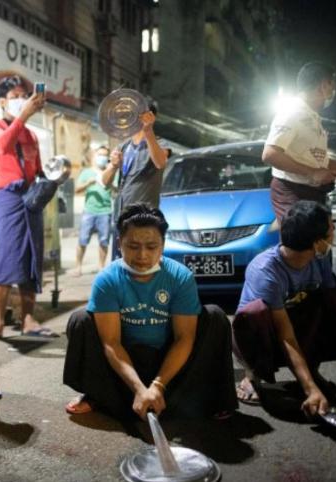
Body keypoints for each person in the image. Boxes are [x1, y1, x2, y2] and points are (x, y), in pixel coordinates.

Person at [63, 204, 237, 422]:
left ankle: (208, 398)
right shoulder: (107, 280)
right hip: (127, 360)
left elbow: (184, 338)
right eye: (133, 246)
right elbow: (112, 343)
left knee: (215, 316)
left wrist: (158, 385)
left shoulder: (180, 277)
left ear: (163, 246)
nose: (142, 255)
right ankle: (100, 395)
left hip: (167, 358)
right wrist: (138, 387)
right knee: (80, 319)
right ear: (119, 244)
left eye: (151, 246)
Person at [233, 201, 336, 416]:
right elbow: (285, 335)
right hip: (260, 334)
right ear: (316, 243)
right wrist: (311, 390)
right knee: (255, 313)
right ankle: (252, 375)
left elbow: (331, 309)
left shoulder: (320, 258)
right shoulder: (266, 272)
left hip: (292, 321)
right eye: (331, 228)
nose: (334, 231)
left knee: (335, 296)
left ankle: (311, 371)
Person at [0, 75, 56, 345]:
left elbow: (37, 167)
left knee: (31, 260)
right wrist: (24, 114)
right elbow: (1, 147)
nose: (21, 101)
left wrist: (51, 178)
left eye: (24, 96)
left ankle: (28, 320)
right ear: (2, 101)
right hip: (8, 199)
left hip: (30, 199)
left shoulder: (32, 134)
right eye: (15, 97)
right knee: (4, 260)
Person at [262, 62, 336, 221]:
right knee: (302, 244)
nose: (333, 91)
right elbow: (270, 154)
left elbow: (322, 162)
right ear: (323, 85)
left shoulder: (313, 118)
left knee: (321, 243)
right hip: (292, 192)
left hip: (311, 194)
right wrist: (312, 173)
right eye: (332, 85)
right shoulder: (292, 112)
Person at [100, 99, 170, 259]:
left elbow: (160, 162)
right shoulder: (123, 146)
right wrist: (113, 166)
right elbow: (104, 181)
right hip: (121, 218)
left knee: (143, 264)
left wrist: (148, 131)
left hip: (145, 219)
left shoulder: (159, 143)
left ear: (150, 116)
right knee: (121, 266)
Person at [74, 146, 114, 276]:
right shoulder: (87, 172)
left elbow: (118, 189)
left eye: (105, 155)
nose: (102, 157)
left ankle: (101, 267)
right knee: (82, 239)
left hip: (105, 210)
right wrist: (88, 183)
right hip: (89, 210)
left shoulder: (112, 171)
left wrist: (110, 182)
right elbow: (77, 190)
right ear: (95, 156)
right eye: (100, 154)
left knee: (104, 241)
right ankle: (78, 267)